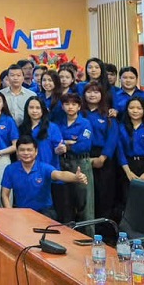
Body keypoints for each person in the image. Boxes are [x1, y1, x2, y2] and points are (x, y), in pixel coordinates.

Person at [1, 136, 89, 219]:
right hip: (22, 212)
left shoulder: (44, 167)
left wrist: (75, 177)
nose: (26, 153)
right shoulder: (10, 169)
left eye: (29, 150)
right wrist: (10, 213)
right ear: (17, 152)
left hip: (45, 212)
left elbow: (60, 174)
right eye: (22, 150)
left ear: (36, 152)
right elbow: (4, 195)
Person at [82, 82, 118, 222]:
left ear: (102, 95)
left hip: (103, 157)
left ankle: (104, 229)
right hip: (84, 155)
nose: (92, 95)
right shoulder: (79, 113)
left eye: (96, 92)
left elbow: (112, 138)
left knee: (104, 195)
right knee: (85, 195)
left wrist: (102, 158)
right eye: (89, 92)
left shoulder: (108, 114)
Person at [59, 93, 95, 224]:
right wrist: (69, 143)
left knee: (84, 201)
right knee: (66, 201)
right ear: (62, 106)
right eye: (67, 104)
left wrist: (66, 145)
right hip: (63, 162)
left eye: (74, 104)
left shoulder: (85, 123)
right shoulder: (58, 123)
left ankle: (88, 233)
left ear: (79, 107)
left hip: (81, 162)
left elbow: (84, 145)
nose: (70, 107)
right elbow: (56, 142)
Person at [117, 96, 144, 195]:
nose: (135, 111)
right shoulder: (121, 128)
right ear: (127, 109)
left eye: (139, 108)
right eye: (131, 108)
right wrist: (128, 172)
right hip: (128, 166)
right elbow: (120, 151)